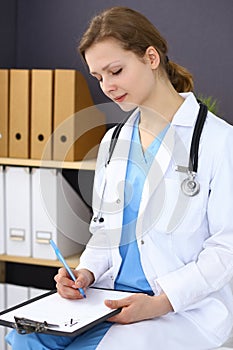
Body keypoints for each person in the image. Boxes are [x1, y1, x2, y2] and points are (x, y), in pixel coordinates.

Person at [6, 6, 233, 350]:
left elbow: (225, 250)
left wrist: (158, 303)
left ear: (151, 57)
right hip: (108, 297)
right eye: (98, 77)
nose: (108, 87)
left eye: (116, 71)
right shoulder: (114, 142)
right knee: (26, 339)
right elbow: (105, 230)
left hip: (178, 310)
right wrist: (87, 273)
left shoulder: (218, 141)